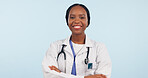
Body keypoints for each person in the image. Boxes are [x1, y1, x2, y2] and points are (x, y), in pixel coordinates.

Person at [42, 3, 112, 78]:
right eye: (72, 17)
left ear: (88, 21)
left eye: (82, 17)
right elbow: (49, 74)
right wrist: (85, 77)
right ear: (67, 21)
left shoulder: (99, 48)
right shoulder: (55, 46)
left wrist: (60, 74)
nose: (77, 21)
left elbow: (103, 76)